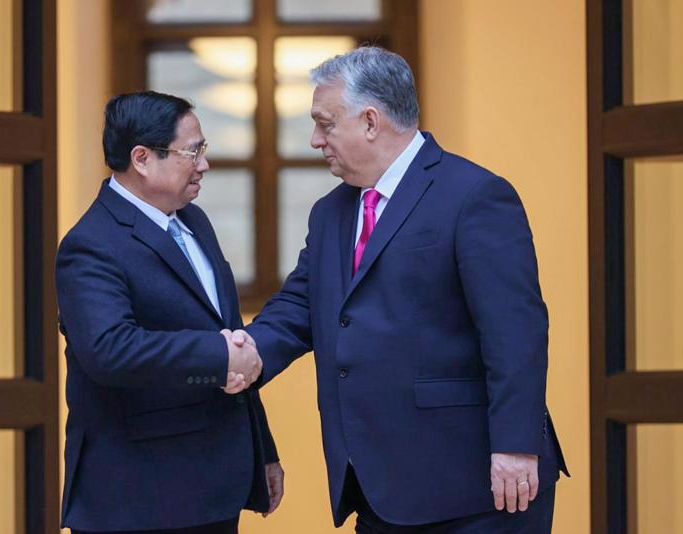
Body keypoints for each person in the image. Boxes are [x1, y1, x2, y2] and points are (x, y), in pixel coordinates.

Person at [236, 46, 568, 533]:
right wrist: (241, 355)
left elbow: (515, 331)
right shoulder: (329, 214)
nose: (314, 140)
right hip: (377, 485)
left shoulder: (474, 195)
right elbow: (299, 307)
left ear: (370, 121)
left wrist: (515, 446)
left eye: (325, 124)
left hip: (477, 486)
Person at [55, 90, 283, 534]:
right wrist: (217, 358)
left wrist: (263, 451)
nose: (204, 164)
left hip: (212, 485)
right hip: (138, 497)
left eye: (204, 149)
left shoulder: (194, 221)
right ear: (142, 158)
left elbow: (229, 332)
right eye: (192, 151)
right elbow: (109, 350)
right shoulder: (91, 245)